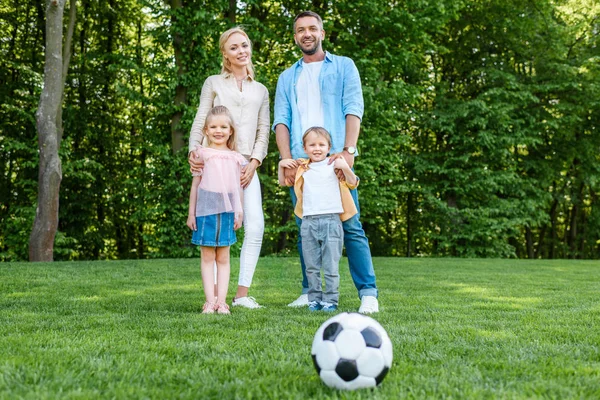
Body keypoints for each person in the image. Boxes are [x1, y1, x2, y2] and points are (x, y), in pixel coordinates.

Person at [273, 11, 379, 313]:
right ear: (295, 36)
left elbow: (353, 107)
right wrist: (286, 160)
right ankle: (310, 292)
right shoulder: (287, 77)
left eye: (312, 28)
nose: (306, 34)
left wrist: (348, 151)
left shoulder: (344, 66)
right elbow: (281, 120)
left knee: (351, 225)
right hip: (302, 165)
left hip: (335, 162)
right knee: (305, 227)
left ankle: (368, 293)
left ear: (322, 32)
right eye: (300, 30)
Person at [188, 27, 269, 309]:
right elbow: (201, 119)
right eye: (233, 47)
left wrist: (255, 162)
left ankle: (241, 294)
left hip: (245, 165)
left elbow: (263, 130)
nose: (241, 51)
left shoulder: (261, 90)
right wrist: (193, 151)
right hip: (214, 164)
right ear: (225, 53)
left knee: (255, 225)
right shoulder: (213, 83)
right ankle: (213, 300)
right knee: (211, 231)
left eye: (244, 45)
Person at [278, 127, 358, 312]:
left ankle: (331, 300)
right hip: (309, 222)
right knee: (312, 266)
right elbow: (283, 182)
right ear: (305, 148)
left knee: (331, 266)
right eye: (312, 145)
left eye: (321, 145)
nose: (317, 148)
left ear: (329, 147)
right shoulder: (302, 168)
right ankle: (314, 299)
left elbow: (353, 183)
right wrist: (282, 164)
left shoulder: (334, 165)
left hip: (332, 221)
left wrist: (346, 166)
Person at [187, 106, 246, 315]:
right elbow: (195, 186)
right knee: (207, 257)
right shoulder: (201, 155)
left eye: (223, 126)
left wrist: (240, 212)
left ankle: (222, 302)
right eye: (213, 127)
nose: (218, 130)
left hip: (228, 213)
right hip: (205, 212)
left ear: (230, 130)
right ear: (205, 130)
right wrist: (191, 213)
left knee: (223, 258)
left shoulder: (236, 157)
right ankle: (209, 302)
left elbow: (237, 187)